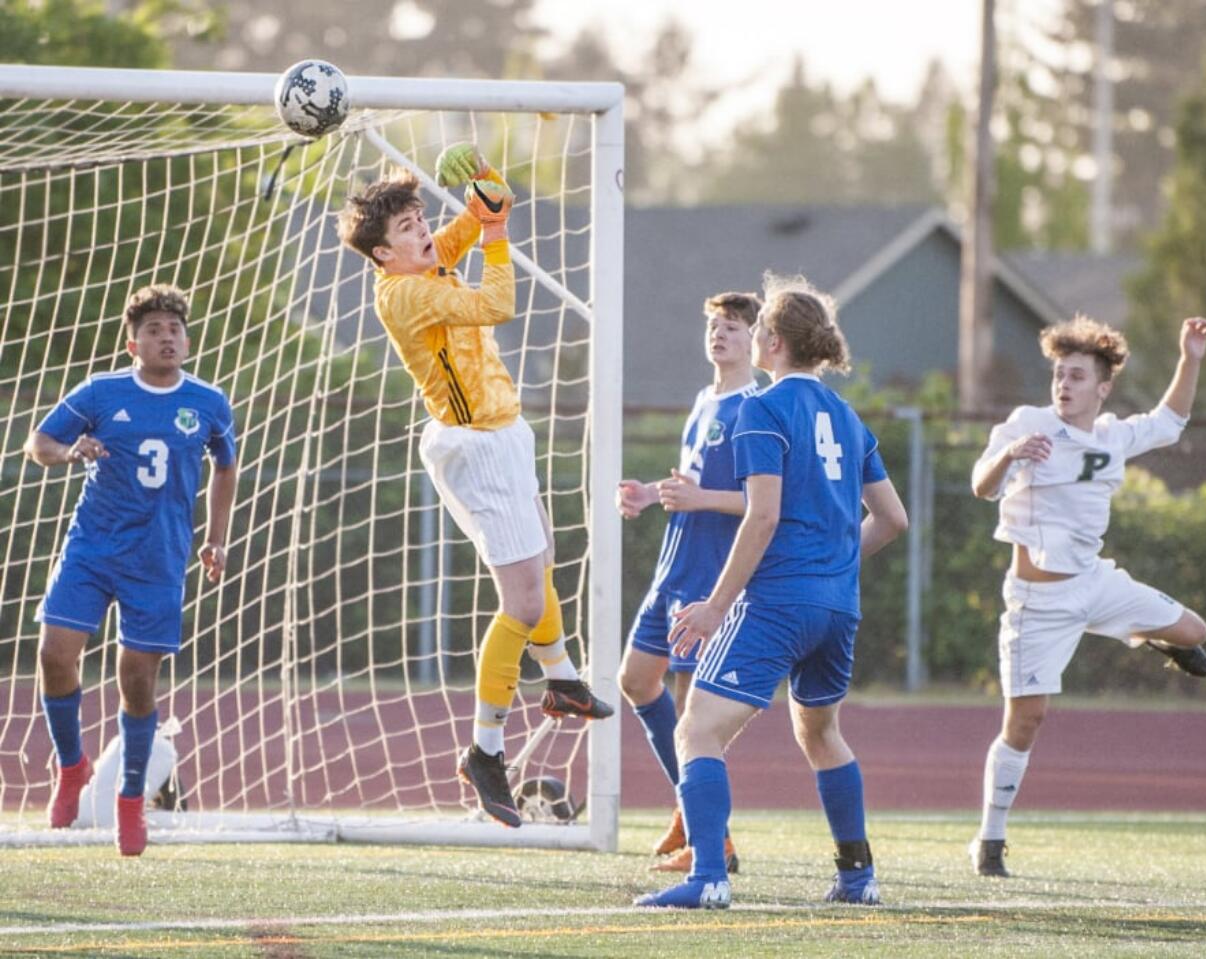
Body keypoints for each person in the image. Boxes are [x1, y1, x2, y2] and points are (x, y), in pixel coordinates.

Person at [336, 143, 612, 830]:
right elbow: (498, 300)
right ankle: (484, 751)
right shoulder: (405, 291)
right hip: (473, 447)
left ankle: (563, 679)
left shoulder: (428, 258)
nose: (424, 230)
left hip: (505, 434)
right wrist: (494, 233)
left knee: (540, 563)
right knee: (521, 598)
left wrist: (487, 181)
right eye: (406, 229)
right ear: (382, 254)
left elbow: (476, 218)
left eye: (419, 217)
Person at [635, 274, 908, 910]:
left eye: (758, 328)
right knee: (821, 735)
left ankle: (707, 877)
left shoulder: (761, 408)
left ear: (775, 342)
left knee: (696, 731)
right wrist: (835, 565)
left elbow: (762, 517)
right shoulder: (847, 415)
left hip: (778, 602)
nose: (751, 335)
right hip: (837, 606)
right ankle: (857, 874)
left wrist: (713, 607)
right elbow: (894, 519)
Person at [968, 314, 1206, 878]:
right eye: (1059, 374)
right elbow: (982, 485)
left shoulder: (1110, 436)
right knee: (1028, 720)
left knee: (1195, 633)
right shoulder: (1029, 422)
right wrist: (1011, 456)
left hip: (1096, 583)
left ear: (1103, 387)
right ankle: (991, 839)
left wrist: (1190, 357)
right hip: (1038, 599)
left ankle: (1147, 636)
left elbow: (1170, 421)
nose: (1064, 384)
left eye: (1077, 376)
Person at [24, 283, 238, 857]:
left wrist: (215, 539)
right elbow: (39, 441)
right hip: (91, 549)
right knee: (53, 655)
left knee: (138, 680)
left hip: (159, 561)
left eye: (174, 328)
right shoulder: (102, 391)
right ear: (132, 344)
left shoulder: (209, 402)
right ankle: (72, 767)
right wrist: (70, 453)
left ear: (186, 340)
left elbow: (225, 468)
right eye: (153, 329)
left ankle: (127, 799)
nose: (167, 336)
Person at [618, 291, 761, 875]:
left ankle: (712, 839)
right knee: (634, 680)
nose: (719, 335)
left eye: (731, 326)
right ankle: (690, 807)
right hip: (670, 568)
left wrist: (700, 499)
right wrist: (652, 494)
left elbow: (762, 501)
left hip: (707, 576)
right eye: (713, 326)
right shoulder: (705, 399)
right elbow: (692, 481)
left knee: (689, 713)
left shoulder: (758, 406)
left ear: (755, 338)